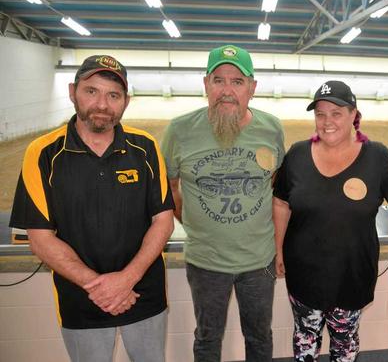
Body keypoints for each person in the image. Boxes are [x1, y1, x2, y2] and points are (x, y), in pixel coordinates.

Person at [9, 55, 175, 362]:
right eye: (92, 91)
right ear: (73, 92)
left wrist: (126, 279)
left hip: (144, 295)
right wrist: (98, 287)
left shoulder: (146, 147)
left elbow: (163, 221)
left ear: (126, 101)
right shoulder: (42, 153)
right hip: (81, 300)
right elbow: (39, 238)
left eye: (113, 95)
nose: (102, 104)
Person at [161, 44, 285, 361]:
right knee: (206, 338)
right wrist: (200, 227)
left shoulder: (271, 129)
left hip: (260, 261)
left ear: (252, 88)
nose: (227, 91)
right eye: (219, 80)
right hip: (206, 262)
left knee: (260, 338)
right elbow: (172, 188)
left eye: (237, 81)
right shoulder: (179, 130)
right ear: (206, 85)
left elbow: (272, 185)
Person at [273, 80, 388, 361]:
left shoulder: (378, 157)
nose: (326, 121)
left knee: (344, 344)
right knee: (305, 338)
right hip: (303, 275)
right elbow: (281, 201)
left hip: (352, 276)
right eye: (320, 114)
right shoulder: (297, 154)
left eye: (336, 113)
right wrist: (278, 249)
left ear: (354, 115)